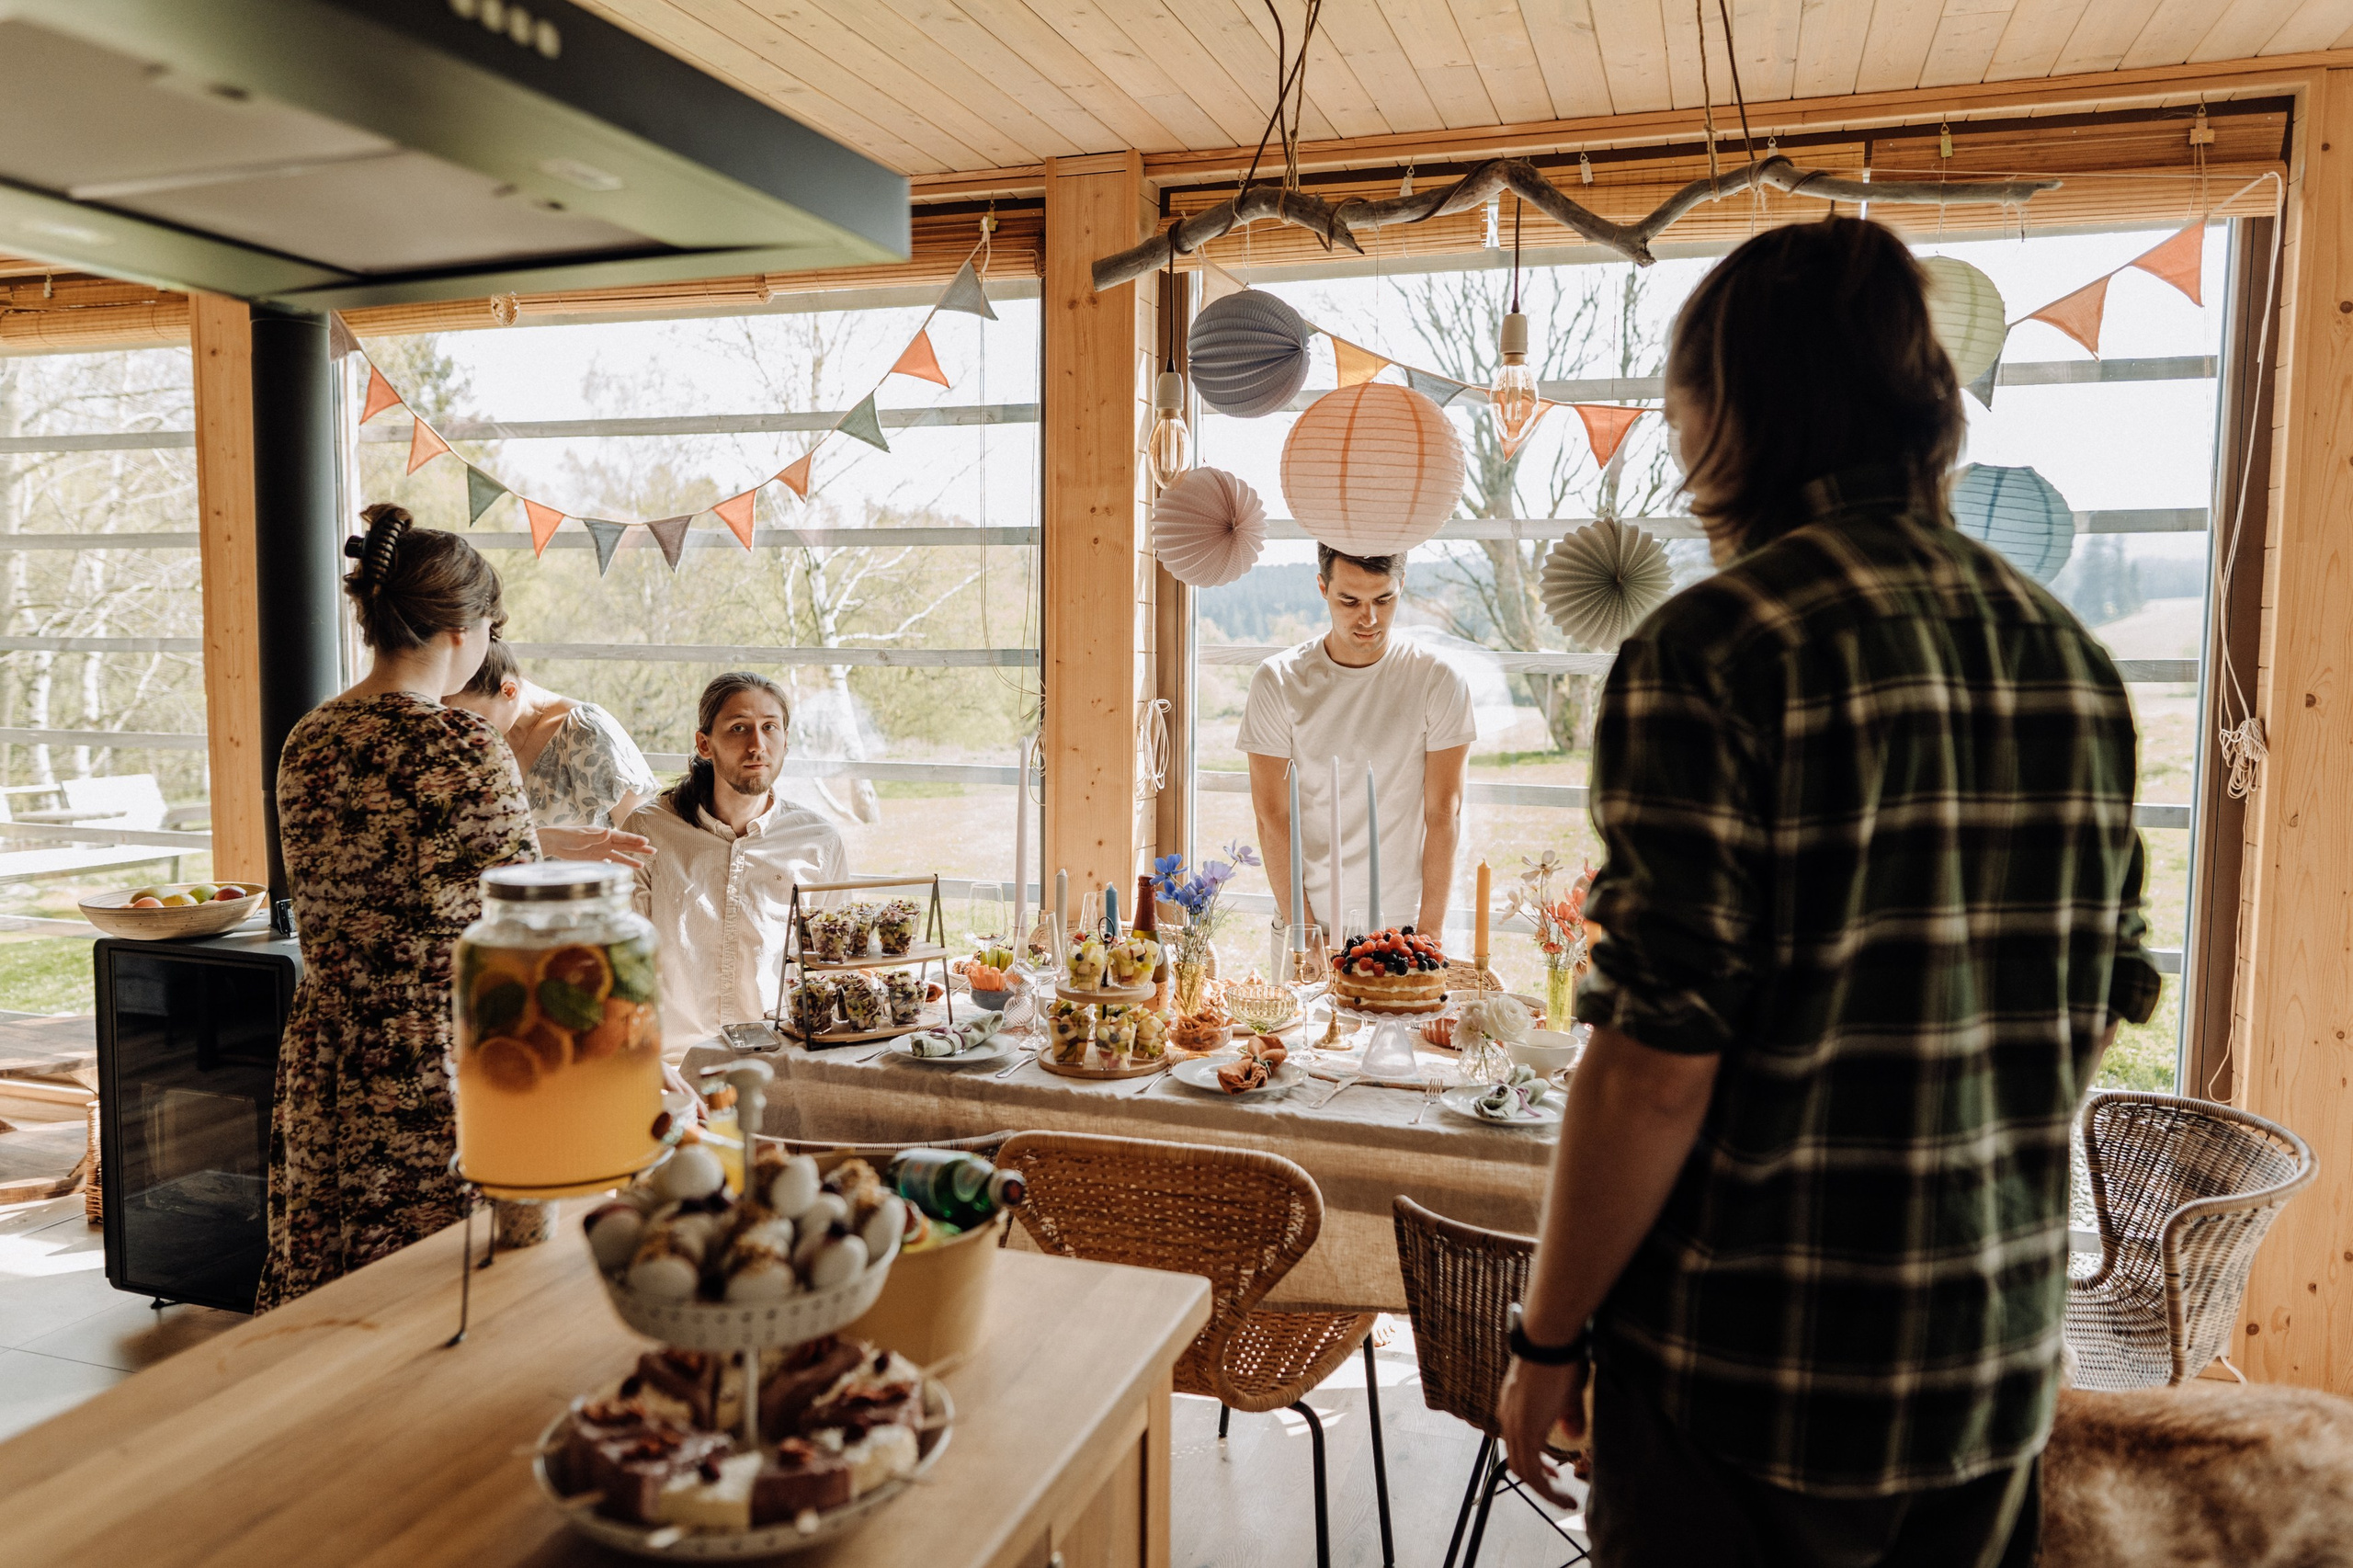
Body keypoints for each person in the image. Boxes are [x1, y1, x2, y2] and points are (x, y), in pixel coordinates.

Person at [1494, 218, 2161, 1568]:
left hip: (1749, 1381)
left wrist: (1546, 1337)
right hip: (1988, 1370)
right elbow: (2096, 1009)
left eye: (1683, 409)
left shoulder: (1713, 648)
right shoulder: (2072, 661)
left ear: (1730, 415)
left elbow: (1652, 1068)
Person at [258, 504, 540, 1311]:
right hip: (432, 1058)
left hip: (328, 1052)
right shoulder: (463, 745)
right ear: (461, 630)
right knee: (438, 1295)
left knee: (337, 1291)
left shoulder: (307, 738)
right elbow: (523, 923)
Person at [1238, 545, 1473, 949]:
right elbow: (1272, 816)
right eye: (1350, 601)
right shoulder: (1278, 680)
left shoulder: (1438, 679)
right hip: (1308, 921)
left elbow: (1443, 812)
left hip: (1404, 927)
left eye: (1384, 599)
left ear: (1402, 585)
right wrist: (1303, 931)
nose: (1369, 618)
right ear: (1322, 588)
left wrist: (1429, 933)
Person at [627, 672, 847, 1051]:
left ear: (786, 741)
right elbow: (622, 964)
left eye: (770, 727)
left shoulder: (819, 842)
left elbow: (832, 969)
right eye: (739, 728)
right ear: (704, 744)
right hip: (672, 1062)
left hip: (780, 1060)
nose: (757, 745)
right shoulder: (648, 831)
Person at [448, 639, 656, 865]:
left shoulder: (584, 729)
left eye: (470, 716)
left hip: (579, 894)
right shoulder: (477, 743)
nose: (463, 727)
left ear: (509, 690)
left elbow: (644, 842)